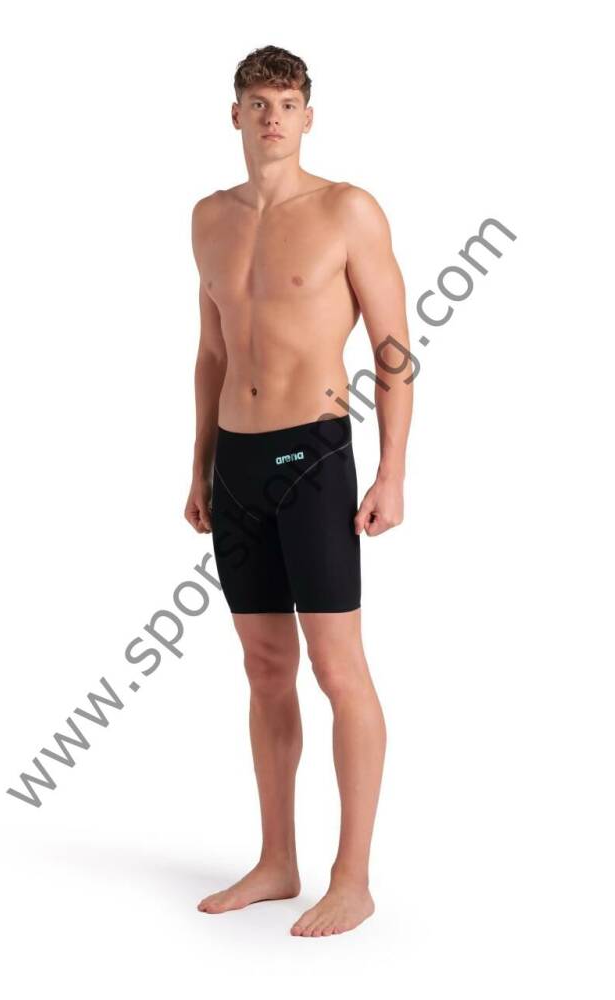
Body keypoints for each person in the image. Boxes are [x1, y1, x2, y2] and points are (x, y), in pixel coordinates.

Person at [185, 44, 413, 937]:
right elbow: (211, 351)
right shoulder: (208, 218)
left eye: (286, 103)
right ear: (235, 116)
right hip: (236, 466)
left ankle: (352, 878)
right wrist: (199, 464)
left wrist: (392, 469)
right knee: (264, 667)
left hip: (314, 459)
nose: (272, 116)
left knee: (337, 668)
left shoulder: (347, 209)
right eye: (258, 102)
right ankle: (277, 860)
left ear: (308, 117)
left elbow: (393, 352)